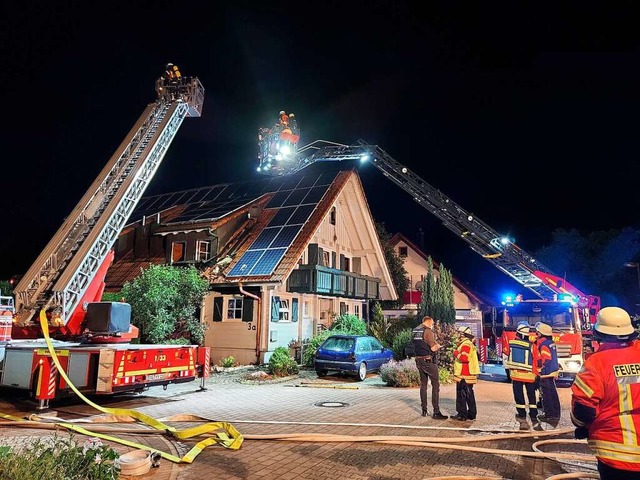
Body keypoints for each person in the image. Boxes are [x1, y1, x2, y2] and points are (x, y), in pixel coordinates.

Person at [571, 306, 640, 479]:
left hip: (617, 454)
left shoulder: (596, 364)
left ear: (598, 335)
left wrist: (582, 426)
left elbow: (583, 410)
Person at [411, 316, 448, 419]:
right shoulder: (428, 331)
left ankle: (424, 410)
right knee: (435, 386)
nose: (432, 326)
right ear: (429, 323)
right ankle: (436, 412)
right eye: (432, 324)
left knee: (423, 385)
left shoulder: (415, 330)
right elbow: (433, 347)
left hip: (418, 360)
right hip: (428, 361)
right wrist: (439, 347)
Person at [505, 321, 538, 428]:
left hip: (516, 375)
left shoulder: (511, 343)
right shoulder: (532, 345)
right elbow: (536, 360)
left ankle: (521, 413)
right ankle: (533, 414)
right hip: (529, 375)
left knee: (518, 395)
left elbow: (507, 355)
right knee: (531, 395)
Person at [533, 322, 560, 427]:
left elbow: (544, 359)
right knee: (553, 393)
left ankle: (549, 415)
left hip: (546, 373)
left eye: (537, 332)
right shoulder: (550, 342)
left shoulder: (543, 345)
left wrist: (540, 371)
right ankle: (556, 413)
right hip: (552, 371)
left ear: (540, 334)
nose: (536, 334)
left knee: (546, 395)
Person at [452, 325, 480, 421]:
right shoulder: (467, 343)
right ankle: (471, 414)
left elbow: (465, 358)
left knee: (462, 394)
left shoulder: (465, 344)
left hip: (464, 374)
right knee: (469, 394)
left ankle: (462, 414)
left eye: (459, 333)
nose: (457, 335)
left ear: (463, 334)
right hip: (467, 373)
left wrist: (455, 353)